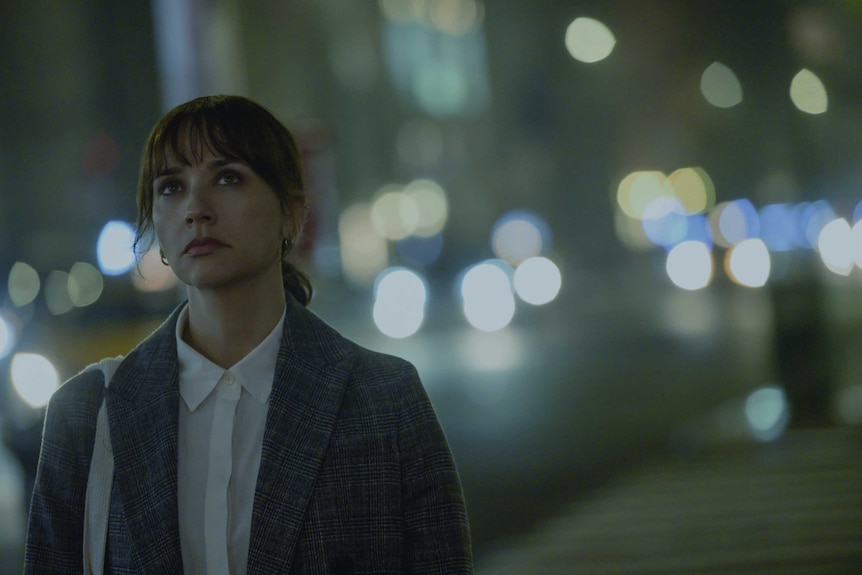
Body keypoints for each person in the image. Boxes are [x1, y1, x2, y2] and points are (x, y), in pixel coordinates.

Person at [25, 95, 473, 574]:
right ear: (154, 220)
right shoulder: (88, 415)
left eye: (228, 178)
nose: (196, 208)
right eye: (172, 187)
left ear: (291, 215)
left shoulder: (383, 400)